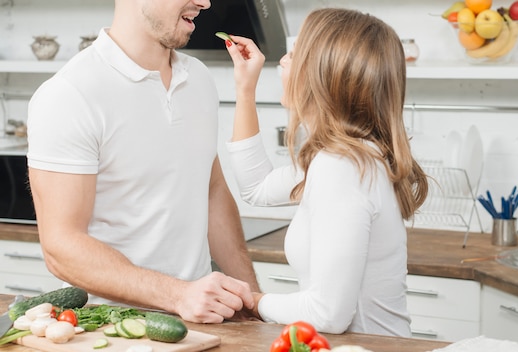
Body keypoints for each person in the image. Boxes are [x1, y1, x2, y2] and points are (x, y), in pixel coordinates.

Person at [26, 0, 259, 324]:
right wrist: (178, 295)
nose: (205, 3)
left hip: (203, 323)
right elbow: (61, 247)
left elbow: (212, 193)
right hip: (110, 330)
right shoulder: (70, 94)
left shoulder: (199, 80)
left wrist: (252, 302)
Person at [222, 8, 429, 337]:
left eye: (295, 53)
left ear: (324, 74)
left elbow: (328, 315)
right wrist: (245, 90)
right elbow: (256, 189)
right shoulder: (342, 155)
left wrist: (252, 302)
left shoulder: (342, 167)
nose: (284, 62)